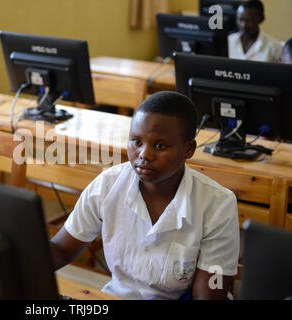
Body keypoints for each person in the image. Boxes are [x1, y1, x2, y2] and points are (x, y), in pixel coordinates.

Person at [50, 91, 240, 300]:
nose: (144, 155)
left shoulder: (217, 204)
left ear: (189, 149)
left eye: (160, 146)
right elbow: (61, 249)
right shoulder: (108, 185)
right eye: (137, 141)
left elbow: (208, 296)